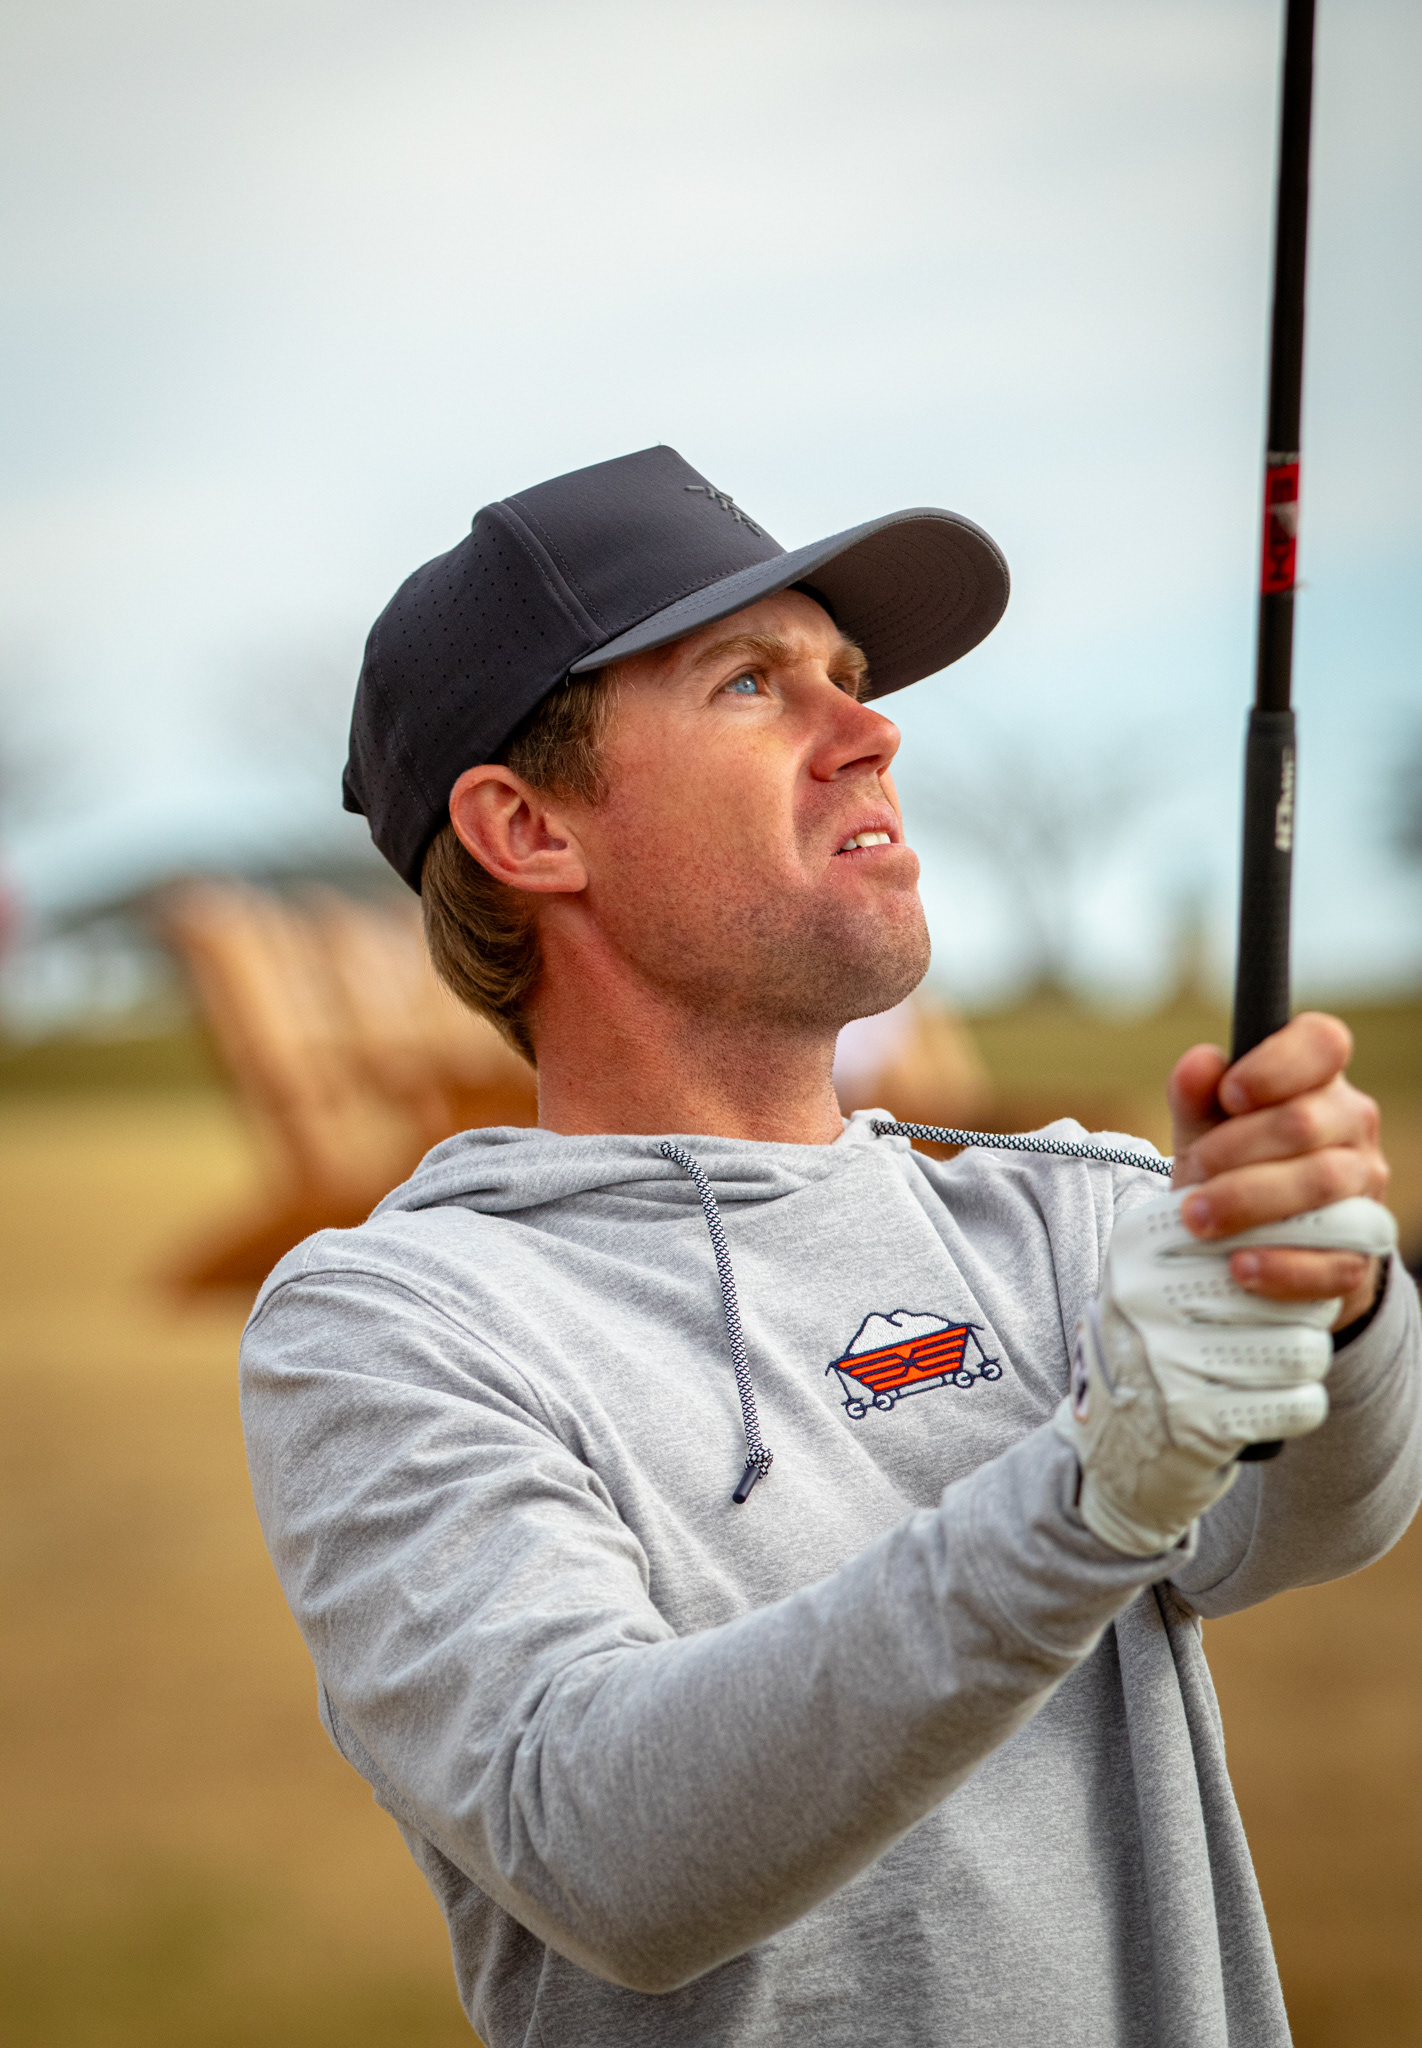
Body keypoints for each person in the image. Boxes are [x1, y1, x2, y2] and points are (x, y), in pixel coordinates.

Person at [240, 445, 1420, 2047]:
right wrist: (1092, 1484)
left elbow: (1306, 1525)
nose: (869, 733)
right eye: (748, 683)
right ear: (526, 827)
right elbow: (602, 1850)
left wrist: (1333, 1296)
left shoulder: (1058, 1203)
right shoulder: (396, 1323)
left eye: (846, 679)